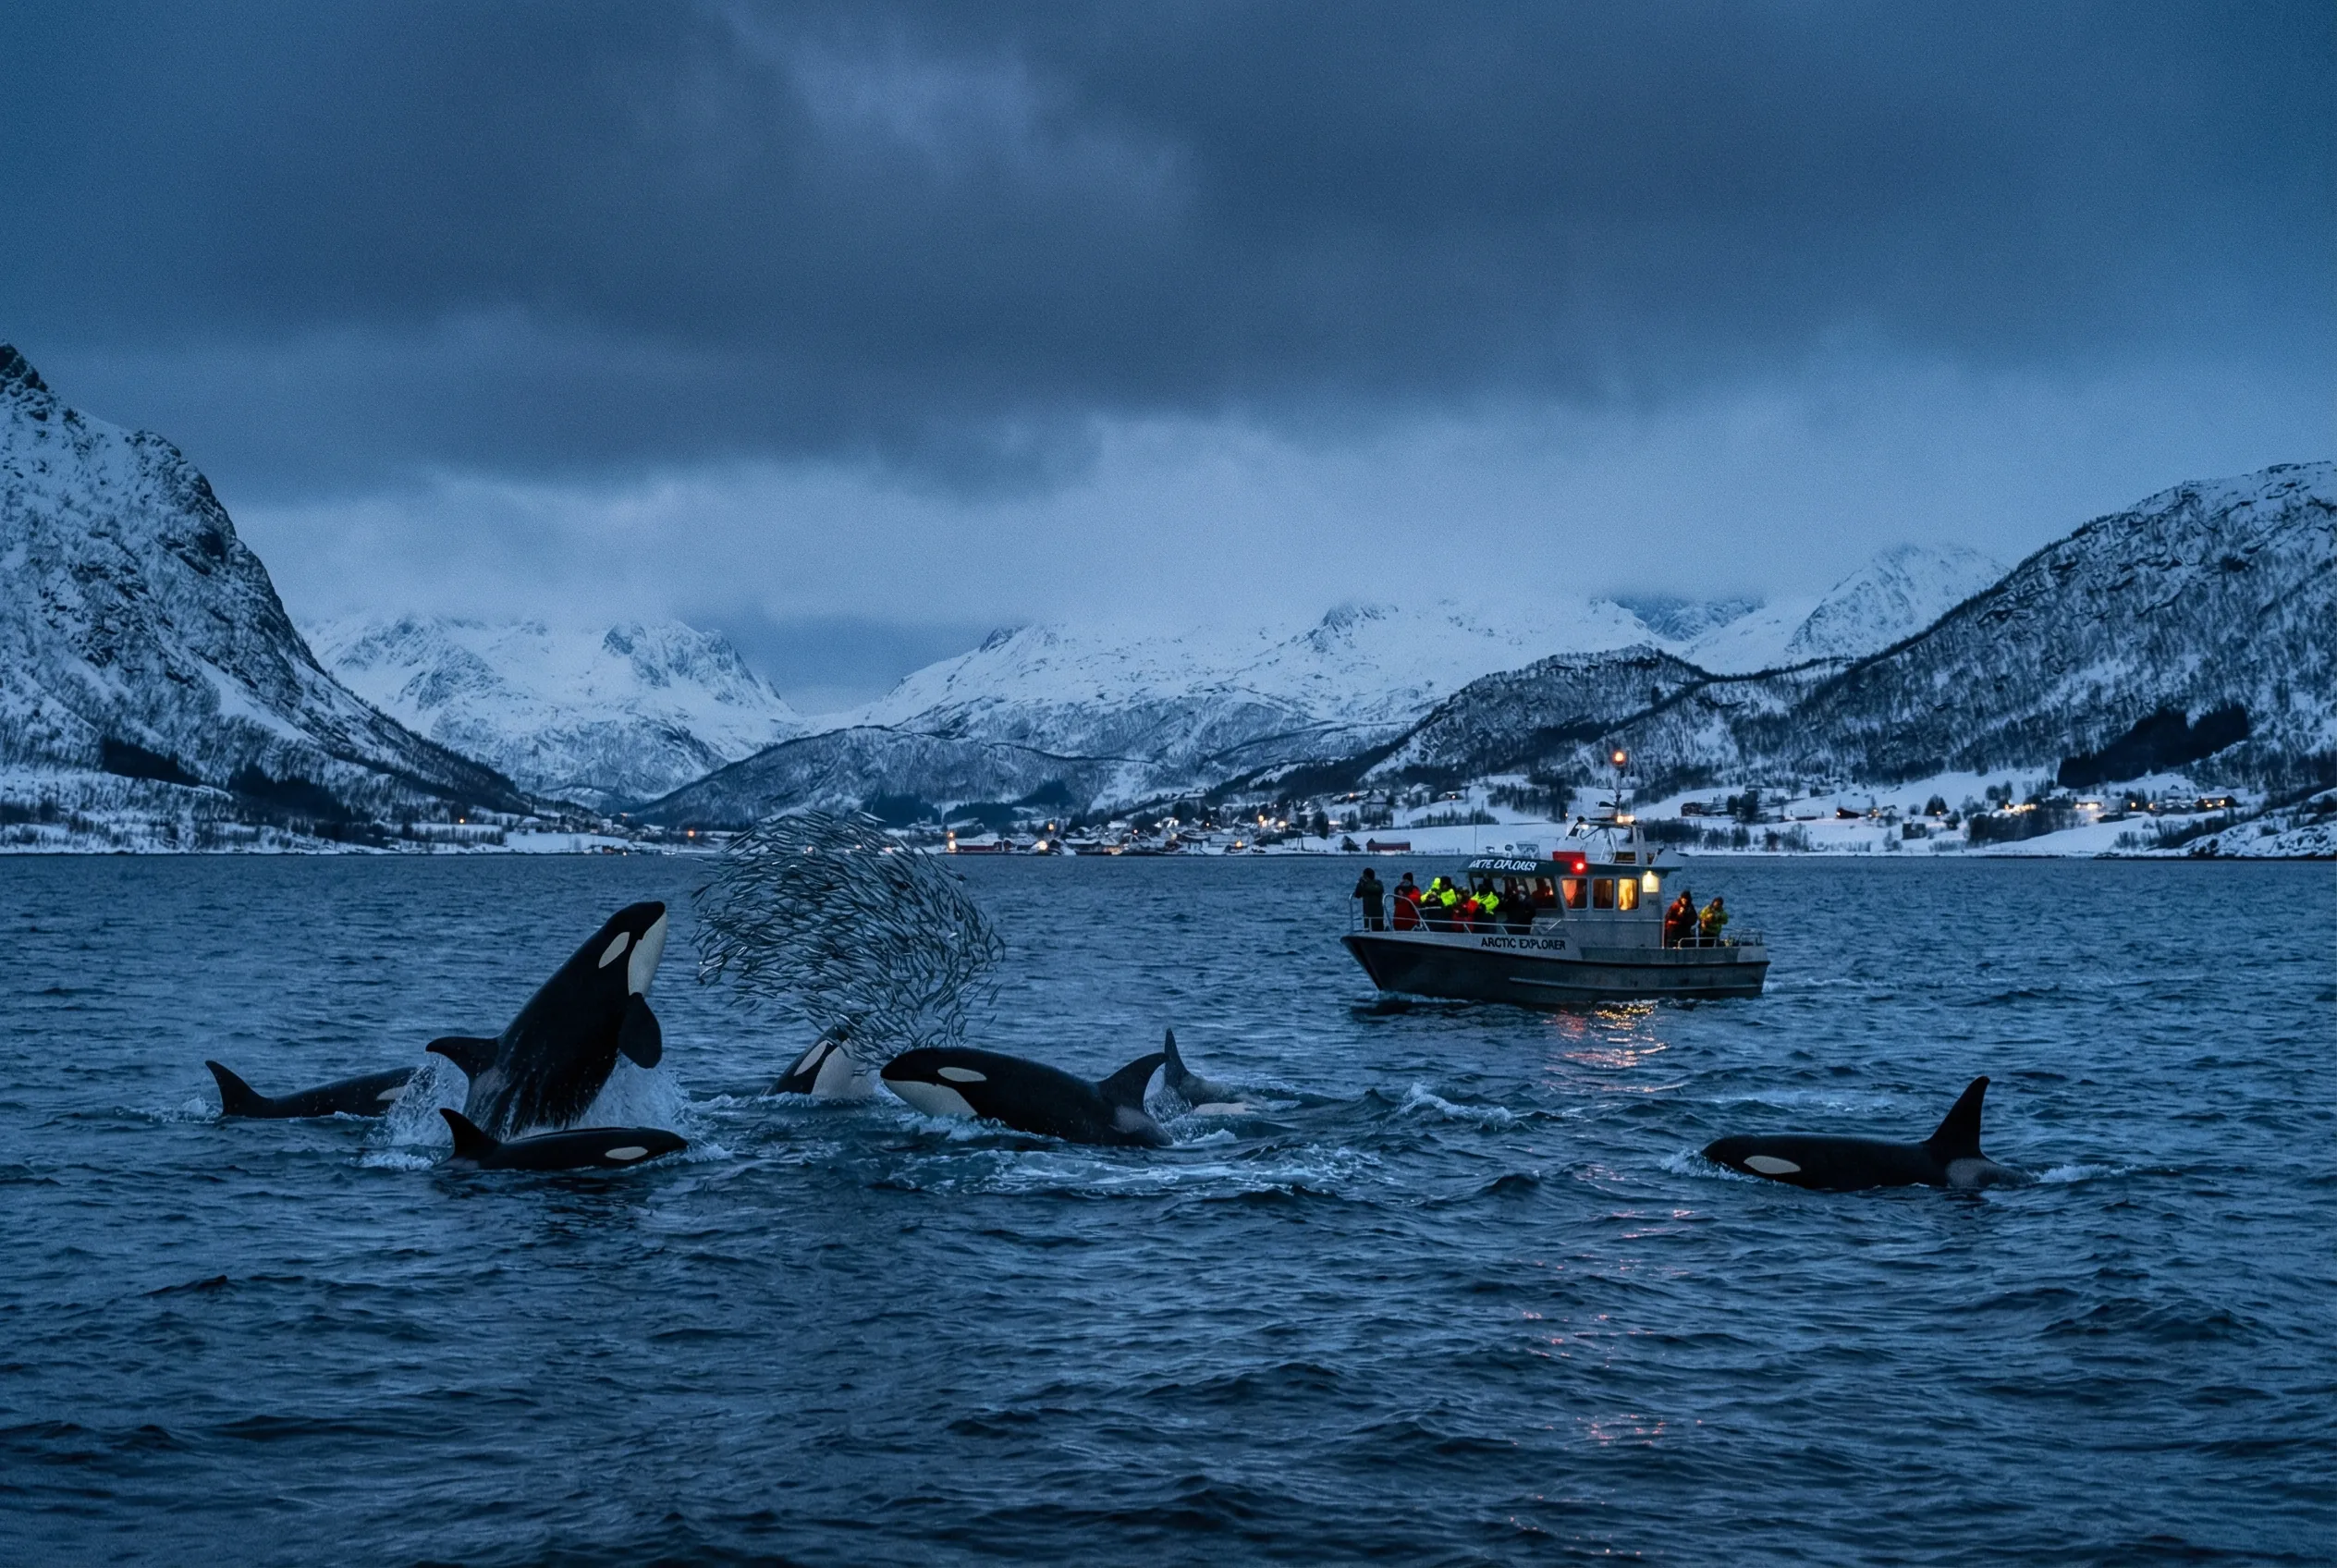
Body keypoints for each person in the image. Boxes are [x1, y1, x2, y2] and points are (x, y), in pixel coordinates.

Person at [1352, 867, 1387, 931]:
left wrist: (1364, 883)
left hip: (1374, 912)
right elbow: (1357, 894)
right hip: (1371, 912)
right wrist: (1361, 884)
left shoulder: (1377, 883)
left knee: (1375, 928)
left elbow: (1376, 889)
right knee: (1370, 928)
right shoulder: (1365, 884)